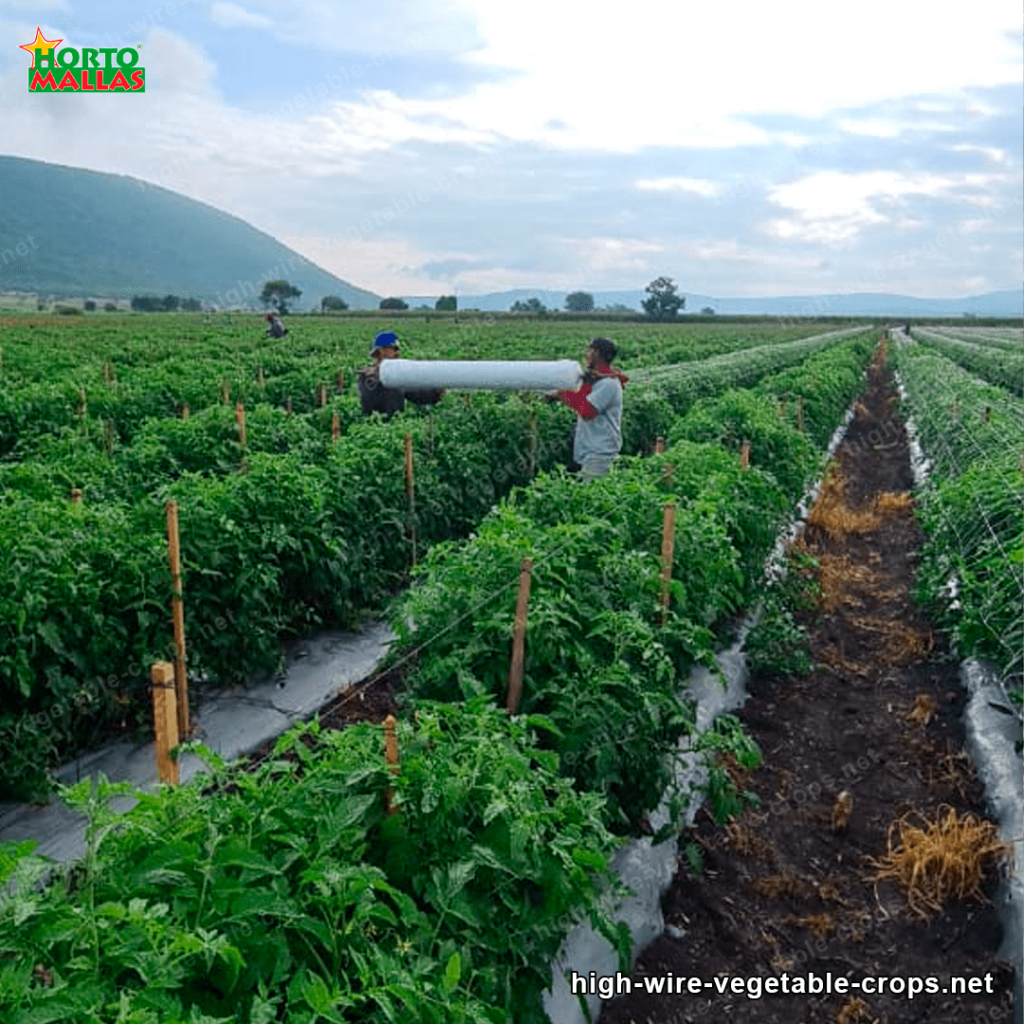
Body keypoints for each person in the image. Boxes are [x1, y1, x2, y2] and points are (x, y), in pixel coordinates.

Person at [546, 337, 628, 481]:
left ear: (600, 355)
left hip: (599, 453)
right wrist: (556, 396)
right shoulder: (594, 380)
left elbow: (587, 410)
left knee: (590, 496)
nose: (586, 354)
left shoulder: (608, 384)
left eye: (591, 350)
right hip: (588, 450)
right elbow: (579, 398)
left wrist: (563, 394)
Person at [357, 331, 445, 420]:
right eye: (394, 349)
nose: (397, 353)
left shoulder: (372, 374)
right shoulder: (370, 376)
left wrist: (437, 393)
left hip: (385, 424)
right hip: (383, 426)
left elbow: (417, 394)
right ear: (381, 351)